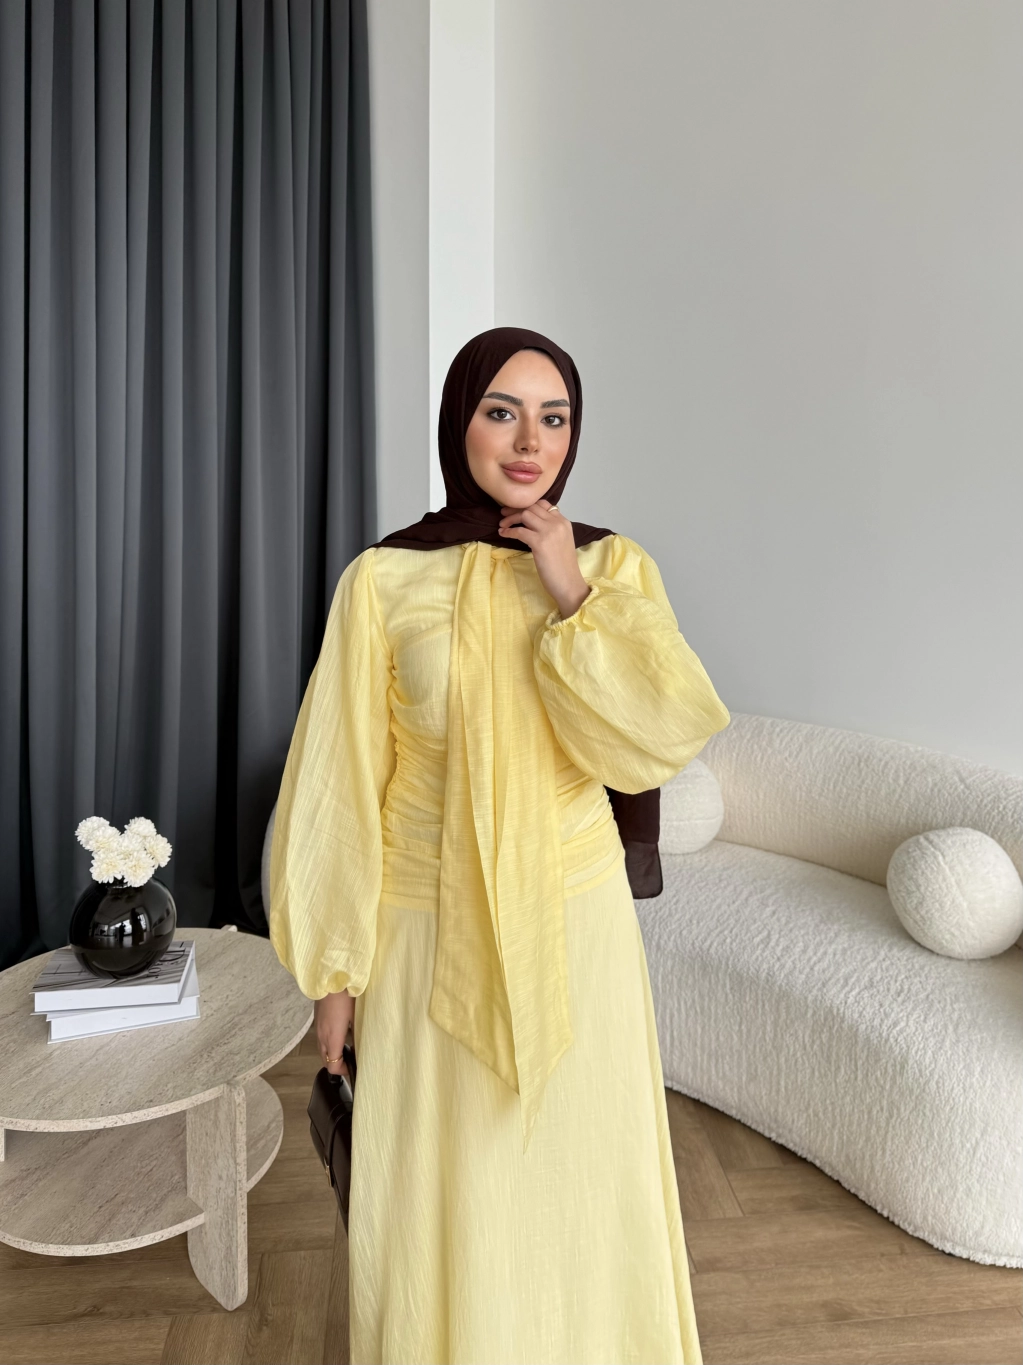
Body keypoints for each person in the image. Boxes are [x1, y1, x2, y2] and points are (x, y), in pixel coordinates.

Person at [269, 326, 730, 1365]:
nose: (530, 442)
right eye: (502, 412)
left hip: (577, 923)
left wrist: (570, 589)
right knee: (447, 1185)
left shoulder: (614, 567)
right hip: (423, 928)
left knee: (581, 1179)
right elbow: (341, 781)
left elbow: (659, 732)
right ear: (459, 423)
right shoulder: (382, 581)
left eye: (552, 418)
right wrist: (334, 976)